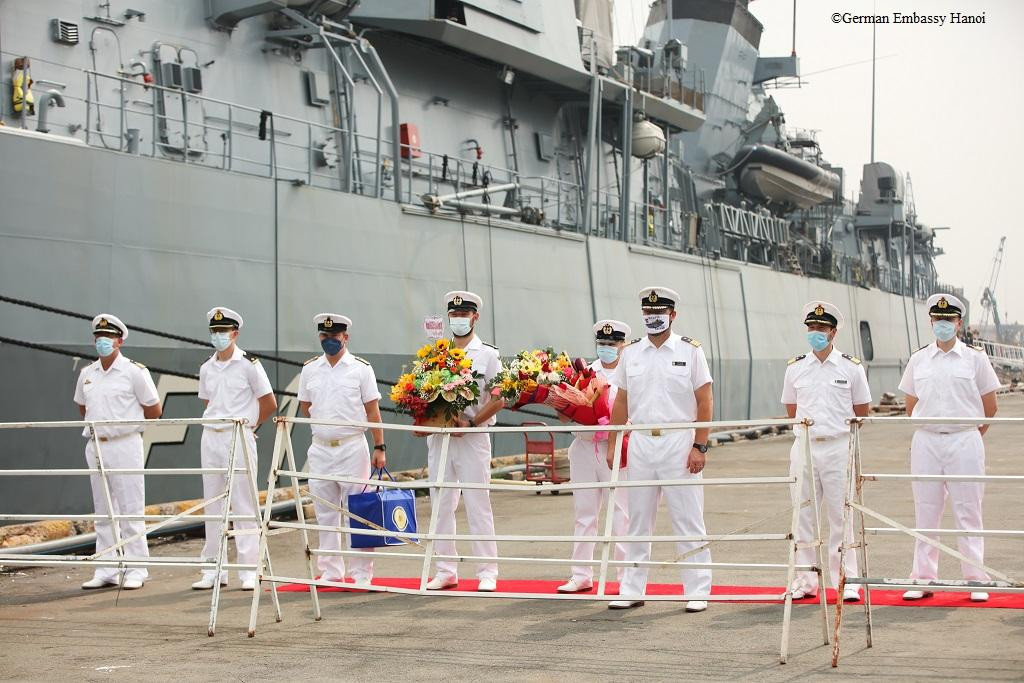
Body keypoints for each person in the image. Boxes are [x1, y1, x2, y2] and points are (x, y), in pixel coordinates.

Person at [606, 286, 714, 612]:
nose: (653, 317)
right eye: (648, 312)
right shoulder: (631, 353)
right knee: (637, 520)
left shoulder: (690, 351)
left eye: (659, 312)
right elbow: (621, 401)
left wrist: (700, 445)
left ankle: (697, 590)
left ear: (672, 315)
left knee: (688, 519)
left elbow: (705, 399)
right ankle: (631, 588)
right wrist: (614, 443)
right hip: (640, 441)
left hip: (679, 441)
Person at [898, 293, 1000, 602]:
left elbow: (990, 405)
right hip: (927, 440)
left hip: (964, 438)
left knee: (968, 510)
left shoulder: (975, 358)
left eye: (949, 319)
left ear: (959, 323)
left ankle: (976, 578)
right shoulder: (919, 359)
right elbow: (911, 404)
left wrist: (969, 433)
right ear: (931, 322)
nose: (943, 324)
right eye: (938, 319)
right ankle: (923, 577)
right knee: (926, 510)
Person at [781, 301, 871, 602]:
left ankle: (846, 581)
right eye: (811, 327)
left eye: (821, 327)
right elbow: (791, 409)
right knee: (803, 516)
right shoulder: (795, 368)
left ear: (833, 332)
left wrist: (835, 433)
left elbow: (862, 411)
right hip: (804, 447)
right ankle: (805, 581)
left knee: (841, 517)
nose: (815, 332)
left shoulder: (850, 367)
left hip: (837, 447)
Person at [191, 307, 277, 591]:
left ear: (235, 333)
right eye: (214, 331)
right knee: (212, 503)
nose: (218, 335)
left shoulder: (249, 365)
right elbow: (209, 403)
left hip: (238, 435)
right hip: (211, 436)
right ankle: (213, 569)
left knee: (244, 503)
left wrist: (250, 426)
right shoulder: (206, 367)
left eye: (223, 331)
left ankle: (249, 569)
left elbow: (269, 403)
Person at [298, 313, 386, 588]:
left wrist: (379, 446)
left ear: (345, 337)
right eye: (324, 336)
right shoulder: (310, 369)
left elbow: (373, 411)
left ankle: (361, 572)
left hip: (352, 447)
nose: (329, 340)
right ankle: (331, 570)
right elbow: (305, 406)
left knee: (358, 511)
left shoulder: (361, 369)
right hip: (320, 449)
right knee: (324, 510)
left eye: (334, 336)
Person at [425, 291, 505, 592]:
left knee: (477, 503)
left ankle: (487, 571)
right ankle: (445, 569)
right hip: (442, 439)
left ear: (475, 317)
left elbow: (499, 398)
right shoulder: (436, 354)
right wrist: (425, 422)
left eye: (464, 314)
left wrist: (471, 422)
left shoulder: (488, 355)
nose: (458, 319)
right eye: (454, 315)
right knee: (441, 504)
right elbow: (424, 395)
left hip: (473, 438)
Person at [74, 314, 162, 590]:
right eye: (99, 337)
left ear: (119, 341)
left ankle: (137, 568)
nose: (103, 341)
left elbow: (154, 409)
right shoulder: (87, 374)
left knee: (130, 510)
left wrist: (126, 426)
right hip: (95, 445)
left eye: (108, 337)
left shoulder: (134, 372)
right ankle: (106, 568)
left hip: (125, 443)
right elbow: (83, 407)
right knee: (103, 511)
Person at [555, 320, 631, 594]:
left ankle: (626, 577)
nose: (606, 348)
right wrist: (560, 400)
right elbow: (564, 416)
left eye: (612, 344)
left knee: (621, 515)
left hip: (616, 447)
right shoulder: (584, 373)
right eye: (602, 343)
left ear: (623, 345)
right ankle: (581, 575)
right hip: (584, 447)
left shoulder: (630, 373)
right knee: (584, 513)